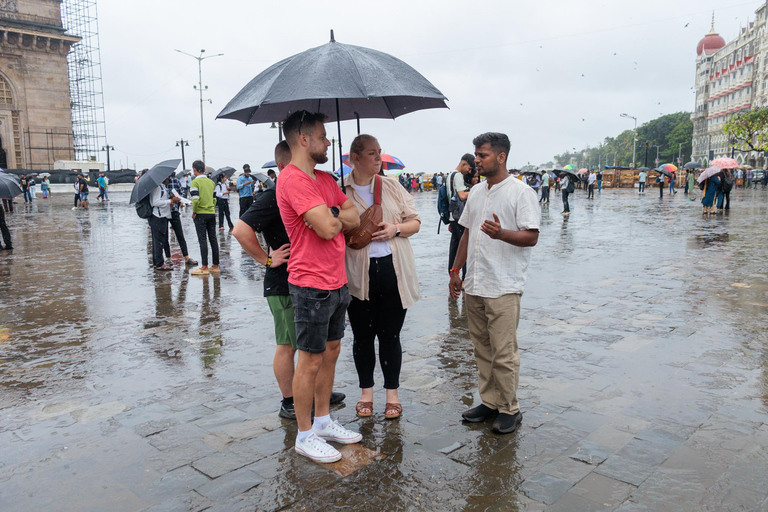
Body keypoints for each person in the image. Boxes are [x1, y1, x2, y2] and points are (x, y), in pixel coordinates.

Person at [234, 141, 346, 421]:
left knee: (315, 346)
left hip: (312, 279)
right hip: (284, 282)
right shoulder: (274, 194)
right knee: (289, 345)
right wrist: (267, 259)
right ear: (284, 166)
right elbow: (240, 229)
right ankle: (289, 400)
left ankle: (314, 392)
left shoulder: (313, 186)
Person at [275, 110, 362, 463]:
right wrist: (333, 216)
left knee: (331, 353)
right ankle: (305, 433)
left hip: (337, 279)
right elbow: (328, 228)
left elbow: (353, 218)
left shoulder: (324, 179)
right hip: (309, 284)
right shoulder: (293, 180)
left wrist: (331, 214)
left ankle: (324, 421)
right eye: (324, 137)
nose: (329, 143)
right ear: (304, 138)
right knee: (308, 361)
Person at [449, 132, 540, 435]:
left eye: (483, 155)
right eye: (476, 154)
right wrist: (455, 270)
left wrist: (501, 234)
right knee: (482, 349)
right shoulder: (476, 192)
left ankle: (509, 408)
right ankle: (489, 401)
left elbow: (531, 236)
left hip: (503, 285)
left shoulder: (520, 192)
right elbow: (466, 233)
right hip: (475, 283)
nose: (477, 160)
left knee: (503, 352)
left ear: (501, 157)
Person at [342, 134, 421, 421]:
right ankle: (366, 394)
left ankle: (392, 395)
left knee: (390, 336)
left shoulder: (391, 185)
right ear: (355, 158)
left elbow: (415, 222)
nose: (378, 158)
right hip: (357, 273)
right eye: (372, 153)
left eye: (379, 152)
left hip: (392, 270)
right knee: (362, 337)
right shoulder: (340, 191)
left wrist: (395, 229)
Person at [189, 160, 220, 275]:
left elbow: (195, 199)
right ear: (205, 169)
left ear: (194, 170)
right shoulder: (211, 183)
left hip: (200, 214)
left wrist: (194, 211)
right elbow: (214, 199)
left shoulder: (194, 183)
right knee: (213, 239)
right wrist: (211, 207)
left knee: (202, 240)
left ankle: (204, 267)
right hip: (211, 213)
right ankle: (216, 265)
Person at [448, 154, 474, 278]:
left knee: (454, 248)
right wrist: (476, 190)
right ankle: (464, 278)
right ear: (464, 163)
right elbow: (462, 196)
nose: (469, 171)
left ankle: (452, 274)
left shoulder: (450, 175)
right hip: (458, 216)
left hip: (452, 216)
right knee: (463, 248)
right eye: (469, 168)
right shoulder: (458, 175)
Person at [149, 176, 181, 271]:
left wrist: (170, 200)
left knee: (157, 240)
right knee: (159, 241)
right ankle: (159, 264)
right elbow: (155, 202)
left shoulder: (162, 187)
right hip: (159, 217)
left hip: (162, 215)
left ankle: (156, 262)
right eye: (167, 177)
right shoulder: (158, 188)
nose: (169, 179)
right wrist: (170, 201)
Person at [166, 172, 198, 267]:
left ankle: (186, 257)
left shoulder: (175, 181)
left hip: (174, 210)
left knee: (180, 234)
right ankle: (168, 258)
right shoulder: (159, 184)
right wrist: (169, 198)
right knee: (165, 237)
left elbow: (182, 192)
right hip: (163, 212)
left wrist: (179, 199)